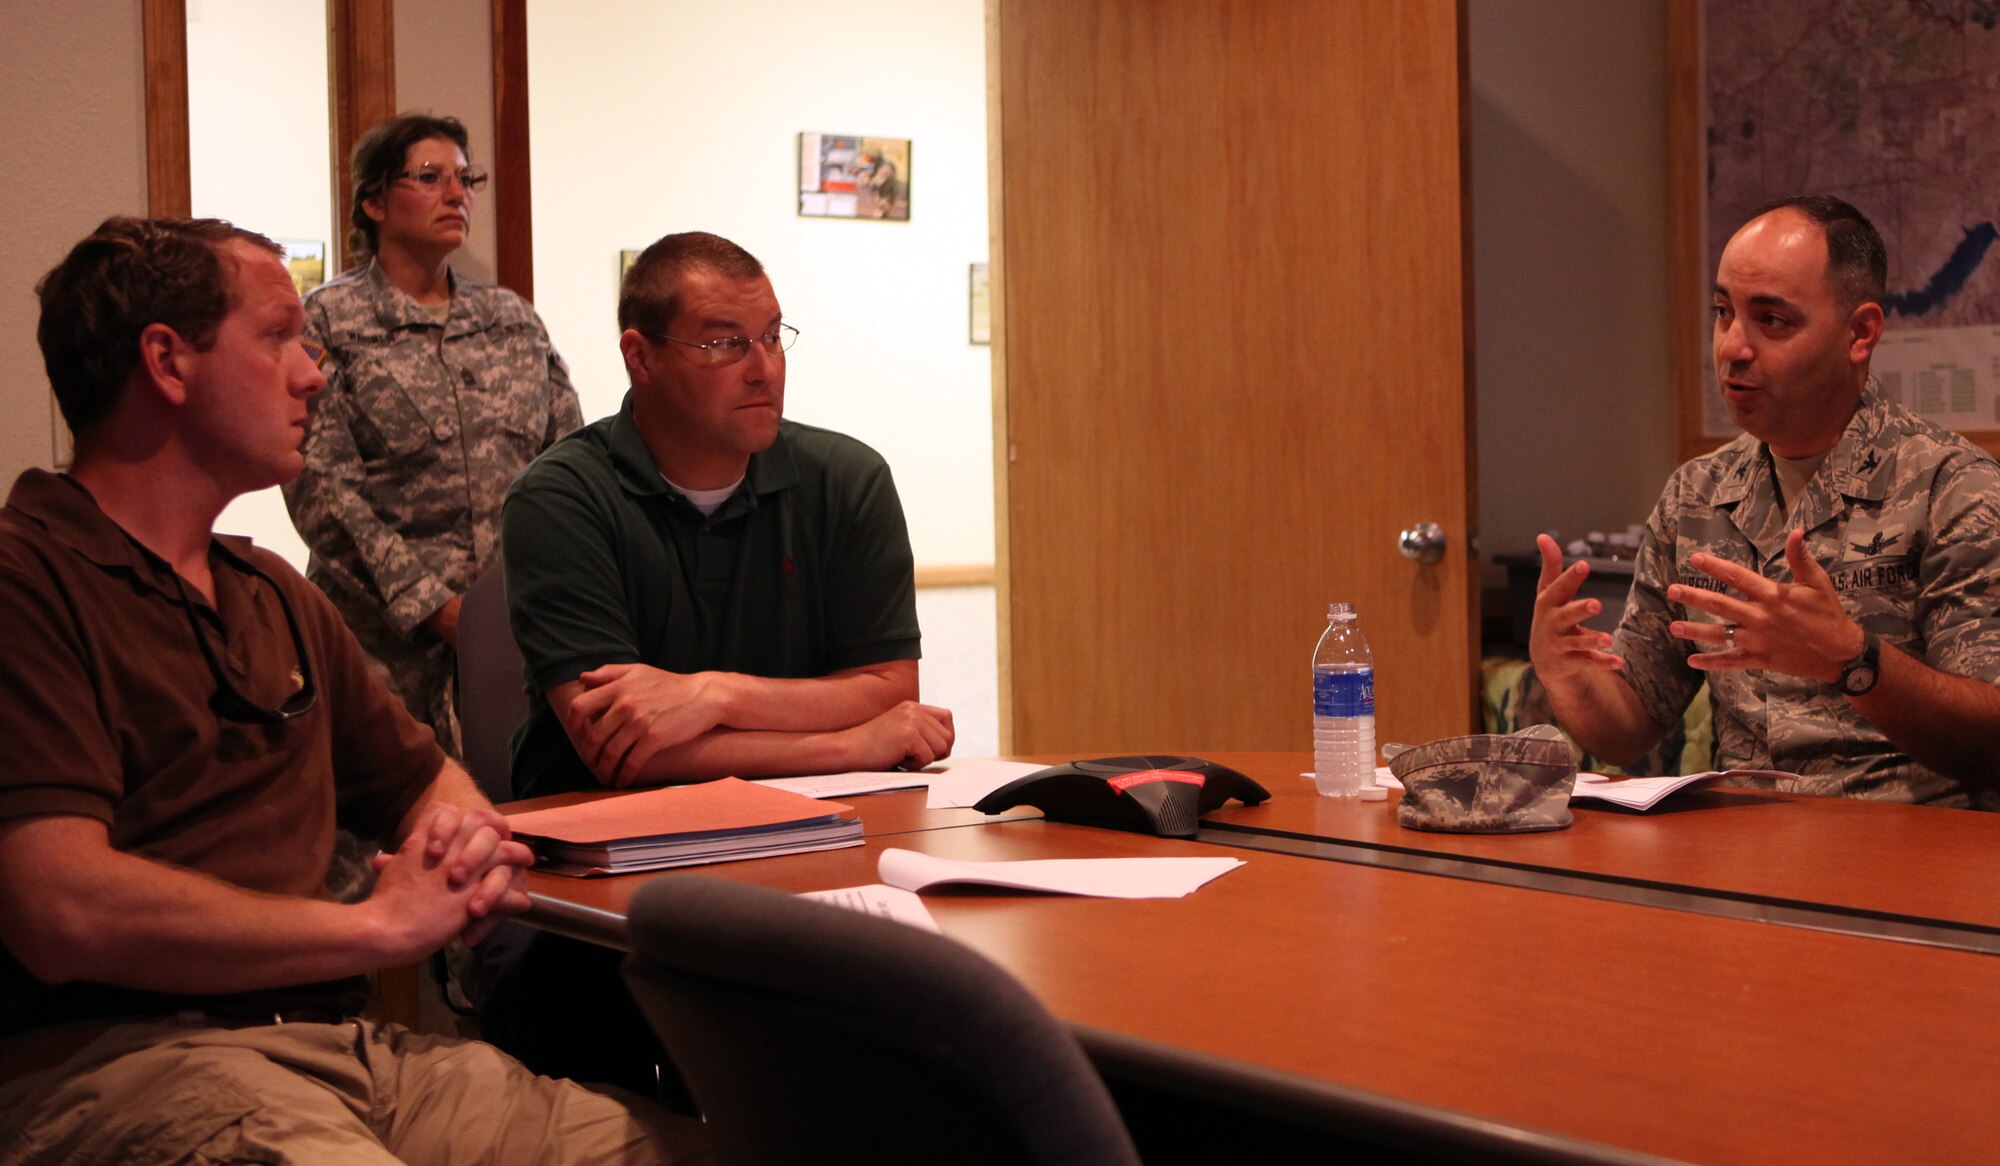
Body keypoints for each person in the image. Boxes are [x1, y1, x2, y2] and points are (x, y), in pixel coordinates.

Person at [0, 216, 709, 1164]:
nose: (313, 373)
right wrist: (371, 928)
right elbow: (61, 911)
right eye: (279, 338)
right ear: (167, 362)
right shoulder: (28, 580)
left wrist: (459, 845)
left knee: (712, 1144)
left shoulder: (270, 593)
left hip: (339, 1052)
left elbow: (431, 792)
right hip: (125, 1063)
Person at [481, 230, 952, 1093]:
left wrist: (711, 694)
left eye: (772, 337)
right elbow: (624, 753)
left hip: (812, 851)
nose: (762, 366)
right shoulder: (560, 497)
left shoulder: (846, 479)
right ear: (640, 356)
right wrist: (849, 743)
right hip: (603, 883)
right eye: (723, 343)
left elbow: (891, 689)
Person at [1531, 195, 2000, 808]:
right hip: (1743, 852)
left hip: (1906, 849)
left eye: (1771, 321)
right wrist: (1565, 671)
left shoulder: (1955, 490)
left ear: (1860, 333)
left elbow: (1992, 740)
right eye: (1724, 312)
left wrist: (1853, 662)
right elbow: (1632, 725)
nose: (1732, 347)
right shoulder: (1696, 496)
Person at [284, 113, 580, 759]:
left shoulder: (510, 319)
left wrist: (540, 602)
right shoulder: (329, 321)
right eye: (429, 178)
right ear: (374, 202)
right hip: (380, 649)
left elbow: (568, 468)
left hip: (513, 639)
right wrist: (432, 608)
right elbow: (321, 488)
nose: (457, 194)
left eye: (464, 178)